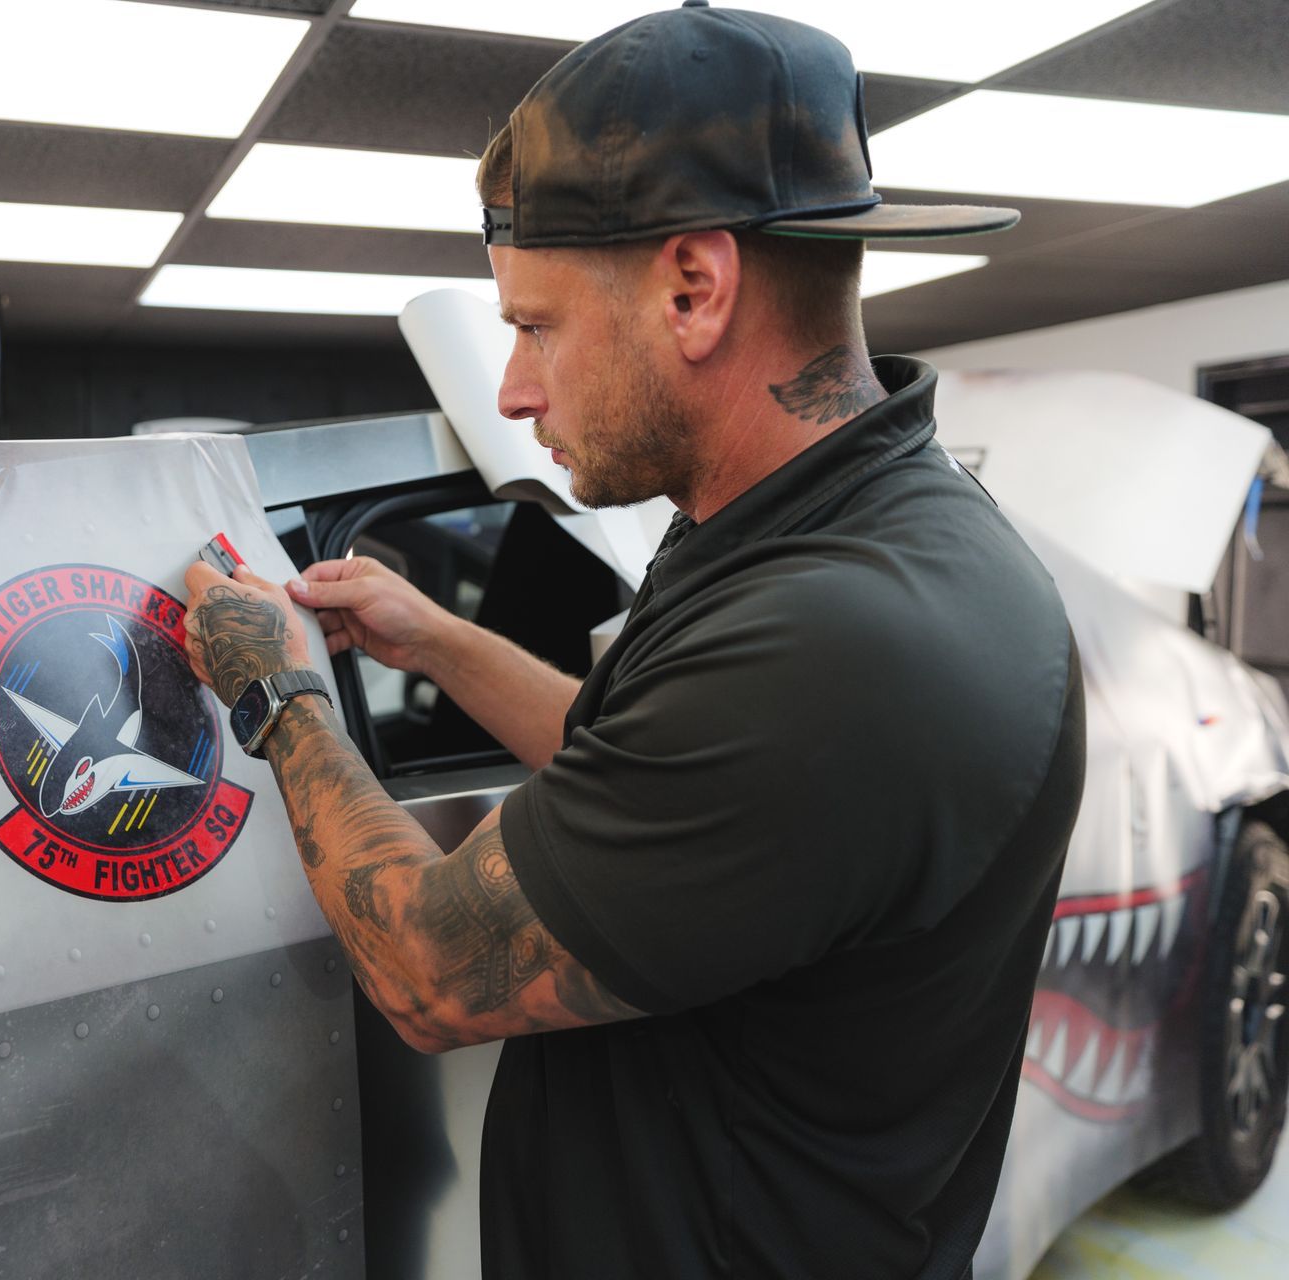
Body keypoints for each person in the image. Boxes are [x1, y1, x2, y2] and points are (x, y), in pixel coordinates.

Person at [182, 4, 1085, 1276]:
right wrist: (433, 638)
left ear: (693, 289)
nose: (514, 389)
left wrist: (280, 695)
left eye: (535, 324)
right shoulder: (825, 532)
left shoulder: (837, 646)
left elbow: (433, 968)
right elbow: (634, 754)